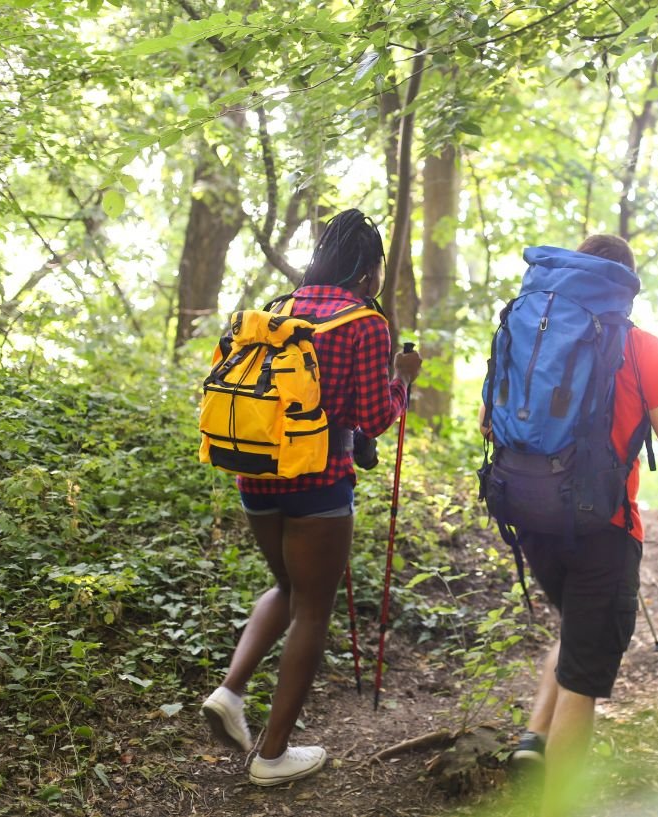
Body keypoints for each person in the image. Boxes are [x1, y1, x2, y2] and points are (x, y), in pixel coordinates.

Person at [490, 234, 658, 816]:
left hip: (528, 513)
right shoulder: (640, 345)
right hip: (605, 528)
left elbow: (490, 424)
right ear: (624, 285)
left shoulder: (525, 332)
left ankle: (533, 737)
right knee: (584, 679)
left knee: (576, 630)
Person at [200, 209, 422, 787]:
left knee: (285, 586)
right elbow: (373, 415)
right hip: (318, 484)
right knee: (312, 609)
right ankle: (272, 756)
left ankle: (229, 691)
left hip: (254, 475)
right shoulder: (365, 322)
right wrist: (403, 379)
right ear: (369, 272)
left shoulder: (276, 310)